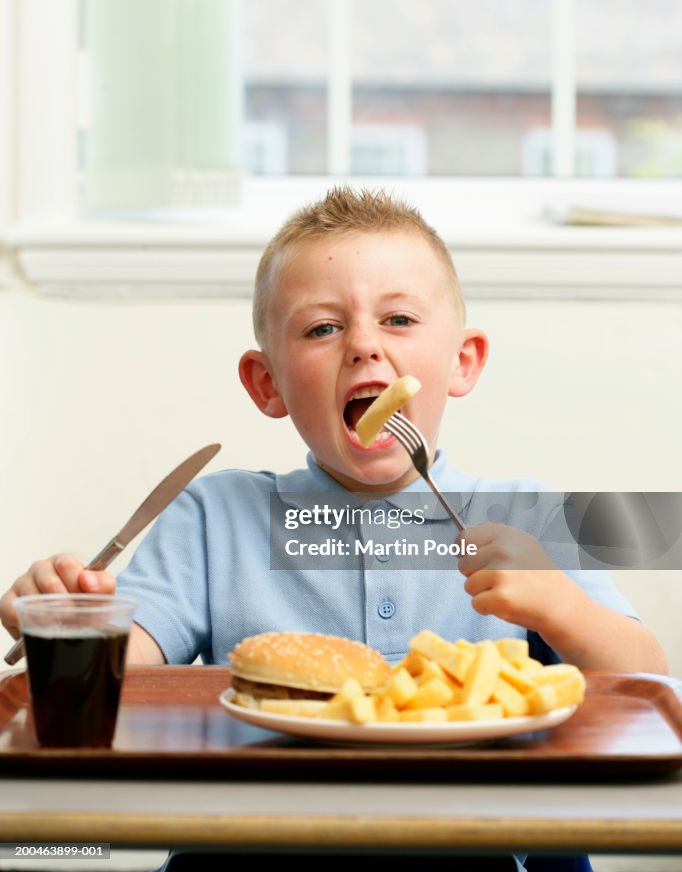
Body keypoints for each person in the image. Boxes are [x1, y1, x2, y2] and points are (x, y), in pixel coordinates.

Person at [0, 187, 667, 871]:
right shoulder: (214, 517)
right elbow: (118, 683)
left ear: (463, 361)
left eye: (400, 318)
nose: (364, 347)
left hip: (479, 844)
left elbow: (646, 684)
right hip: (251, 848)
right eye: (322, 329)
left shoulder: (528, 515)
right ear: (268, 385)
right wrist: (71, 626)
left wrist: (559, 603)